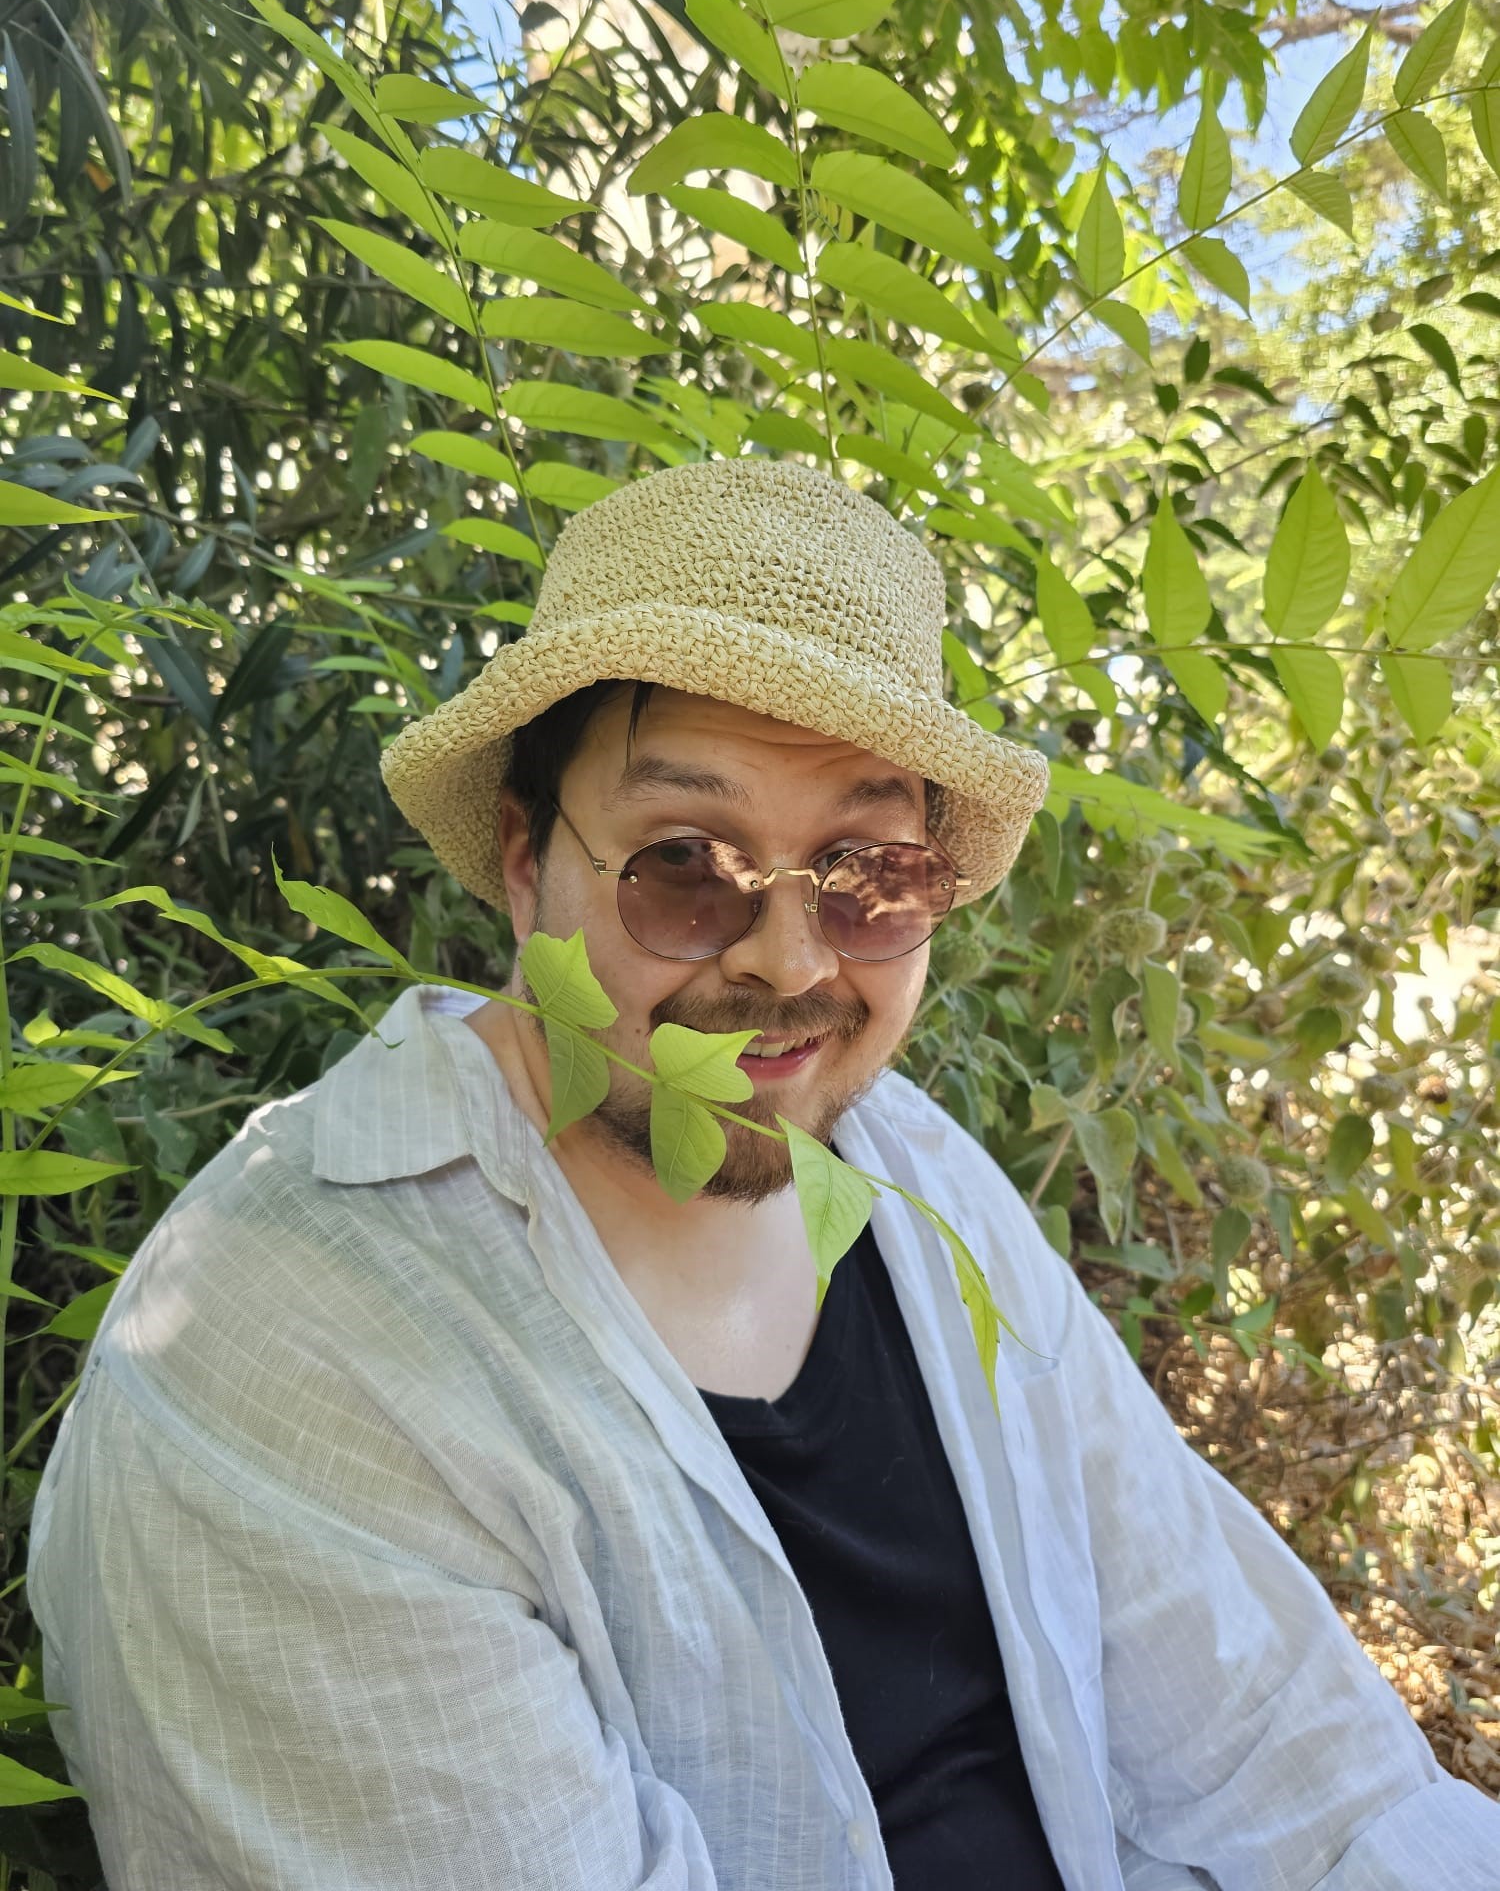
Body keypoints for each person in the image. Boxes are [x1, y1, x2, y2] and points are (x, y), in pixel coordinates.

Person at [27, 459, 1500, 1891]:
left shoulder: (911, 1174)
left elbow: (1265, 1727)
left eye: (872, 874)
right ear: (526, 859)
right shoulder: (295, 1358)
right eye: (684, 860)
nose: (791, 964)